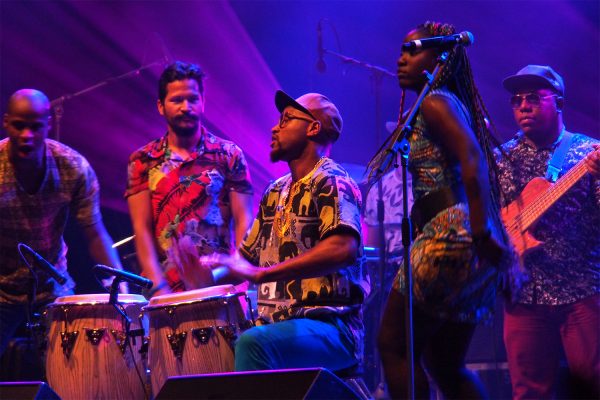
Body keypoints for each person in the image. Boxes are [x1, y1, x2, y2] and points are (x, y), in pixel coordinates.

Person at [372, 22, 516, 399]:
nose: (401, 59)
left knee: (393, 345)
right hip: (464, 239)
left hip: (449, 234)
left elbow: (472, 157)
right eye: (401, 50)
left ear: (439, 58)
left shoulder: (437, 101)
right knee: (444, 363)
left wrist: (483, 228)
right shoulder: (440, 102)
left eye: (412, 50)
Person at [202, 90, 370, 372]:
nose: (275, 127)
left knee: (254, 344)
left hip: (332, 326)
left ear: (313, 128)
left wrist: (264, 275)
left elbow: (343, 247)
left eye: (287, 119)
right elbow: (245, 260)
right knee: (218, 346)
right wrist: (207, 274)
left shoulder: (333, 181)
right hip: (279, 327)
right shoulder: (275, 191)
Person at [495, 65, 600, 399]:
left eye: (534, 98)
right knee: (527, 393)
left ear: (558, 102)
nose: (523, 106)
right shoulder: (501, 157)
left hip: (580, 289)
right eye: (517, 100)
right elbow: (487, 217)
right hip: (524, 296)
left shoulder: (587, 152)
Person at [0, 89, 124, 357]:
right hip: (1, 287)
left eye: (35, 127)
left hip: (52, 283)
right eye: (19, 126)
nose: (26, 135)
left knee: (72, 366)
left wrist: (118, 281)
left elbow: (94, 232)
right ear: (6, 122)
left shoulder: (73, 167)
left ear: (48, 125)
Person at [125, 61, 254, 296]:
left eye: (192, 99)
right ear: (160, 106)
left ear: (203, 102)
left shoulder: (229, 154)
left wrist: (236, 269)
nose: (186, 107)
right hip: (166, 289)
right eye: (176, 100)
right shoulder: (142, 160)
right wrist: (158, 288)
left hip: (221, 285)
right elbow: (141, 229)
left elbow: (245, 222)